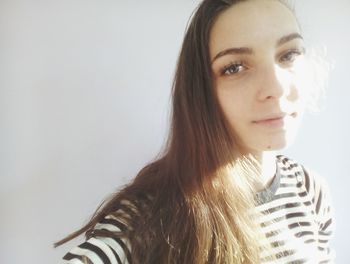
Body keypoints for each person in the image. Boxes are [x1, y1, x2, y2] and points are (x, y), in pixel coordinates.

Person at [55, 0, 335, 263]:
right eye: (235, 67)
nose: (276, 87)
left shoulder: (311, 191)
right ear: (202, 92)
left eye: (289, 54)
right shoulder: (155, 216)